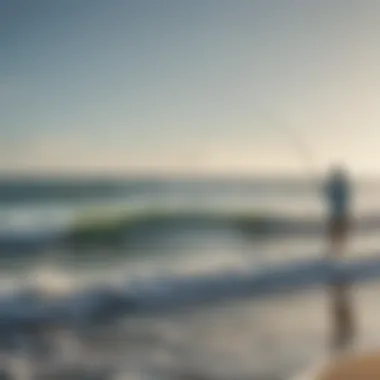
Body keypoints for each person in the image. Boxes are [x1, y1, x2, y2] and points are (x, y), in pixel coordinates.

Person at [324, 165, 354, 352]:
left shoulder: (336, 187)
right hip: (344, 216)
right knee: (340, 241)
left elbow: (329, 197)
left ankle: (336, 262)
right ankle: (339, 262)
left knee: (334, 240)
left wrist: (326, 187)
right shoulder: (345, 187)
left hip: (336, 216)